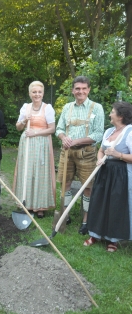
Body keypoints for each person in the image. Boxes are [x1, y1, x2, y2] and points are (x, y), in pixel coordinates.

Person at [56, 76, 104, 234]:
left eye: (84, 88)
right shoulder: (67, 107)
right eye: (77, 88)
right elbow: (59, 129)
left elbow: (98, 134)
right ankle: (66, 215)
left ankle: (86, 219)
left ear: (89, 89)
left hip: (87, 154)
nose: (80, 91)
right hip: (67, 153)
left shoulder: (97, 108)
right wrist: (64, 138)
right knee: (65, 184)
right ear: (73, 90)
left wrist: (76, 141)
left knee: (88, 187)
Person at [83, 102, 132, 252]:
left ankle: (113, 239)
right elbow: (101, 150)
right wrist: (99, 158)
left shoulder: (129, 132)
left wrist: (119, 155)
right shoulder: (109, 131)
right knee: (99, 201)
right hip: (104, 171)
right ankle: (95, 234)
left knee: (115, 204)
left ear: (121, 116)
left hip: (120, 174)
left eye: (112, 112)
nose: (110, 114)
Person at [13, 81, 56, 217]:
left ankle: (40, 206)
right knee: (27, 171)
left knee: (40, 172)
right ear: (30, 93)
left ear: (43, 93)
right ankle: (27, 203)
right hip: (27, 143)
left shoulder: (47, 108)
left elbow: (52, 129)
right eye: (34, 92)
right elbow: (18, 127)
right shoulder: (25, 107)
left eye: (39, 92)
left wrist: (35, 133)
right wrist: (25, 120)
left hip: (42, 143)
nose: (37, 94)